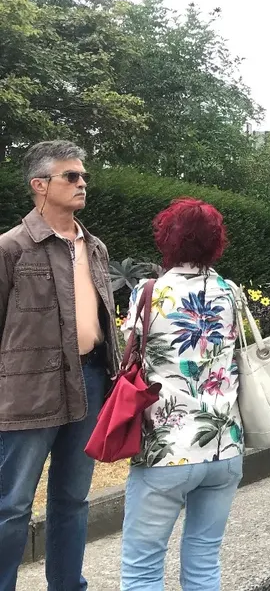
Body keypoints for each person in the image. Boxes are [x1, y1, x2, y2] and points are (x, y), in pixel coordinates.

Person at [0, 140, 120, 590]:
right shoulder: (11, 247)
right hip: (27, 391)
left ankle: (68, 585)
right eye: (71, 176)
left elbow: (103, 318)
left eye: (83, 175)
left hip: (89, 381)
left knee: (72, 498)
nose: (82, 182)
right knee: (11, 504)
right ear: (39, 185)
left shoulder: (95, 248)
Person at [118, 198, 244, 589]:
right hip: (225, 444)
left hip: (167, 449)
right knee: (205, 557)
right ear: (215, 243)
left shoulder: (148, 292)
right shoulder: (231, 291)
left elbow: (128, 346)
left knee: (143, 563)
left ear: (168, 240)